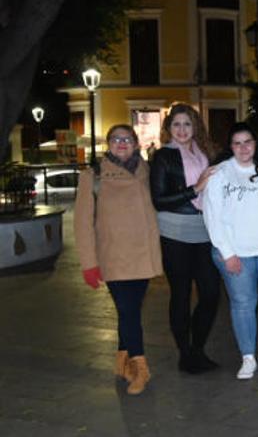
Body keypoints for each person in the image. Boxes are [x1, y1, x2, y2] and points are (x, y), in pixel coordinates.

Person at [74, 124, 162, 395]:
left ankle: (122, 361)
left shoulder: (146, 170)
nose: (121, 143)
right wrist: (89, 263)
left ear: (136, 143)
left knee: (130, 312)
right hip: (114, 257)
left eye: (127, 139)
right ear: (108, 144)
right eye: (116, 139)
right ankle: (140, 367)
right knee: (129, 312)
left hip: (142, 256)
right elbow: (81, 223)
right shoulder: (93, 176)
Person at [203, 123, 258, 380]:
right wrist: (227, 253)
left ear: (257, 144)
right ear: (230, 146)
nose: (243, 148)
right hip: (234, 252)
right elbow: (213, 216)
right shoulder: (220, 173)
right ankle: (247, 356)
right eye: (237, 143)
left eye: (248, 142)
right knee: (243, 304)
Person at [149, 103, 221, 374]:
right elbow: (158, 200)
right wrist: (195, 189)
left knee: (211, 293)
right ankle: (185, 353)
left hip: (204, 230)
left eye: (187, 124)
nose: (182, 130)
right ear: (169, 128)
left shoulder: (205, 153)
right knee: (180, 294)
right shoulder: (163, 156)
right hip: (175, 232)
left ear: (195, 127)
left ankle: (198, 348)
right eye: (176, 124)